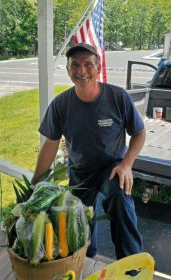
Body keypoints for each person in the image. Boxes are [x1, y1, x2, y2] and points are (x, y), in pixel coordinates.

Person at [31, 43, 146, 260]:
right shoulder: (60, 105)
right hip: (80, 171)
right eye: (75, 65)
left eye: (87, 64)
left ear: (98, 67)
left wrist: (127, 164)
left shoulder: (117, 97)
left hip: (112, 167)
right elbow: (50, 144)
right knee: (77, 221)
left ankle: (132, 266)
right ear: (67, 70)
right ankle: (85, 260)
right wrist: (35, 182)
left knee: (121, 199)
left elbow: (139, 133)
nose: (81, 70)